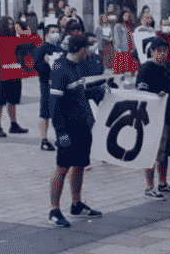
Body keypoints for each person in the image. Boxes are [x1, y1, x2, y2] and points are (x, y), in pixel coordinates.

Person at [48, 34, 104, 228]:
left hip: (83, 126)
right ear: (80, 50)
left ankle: (76, 203)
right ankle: (54, 210)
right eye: (87, 50)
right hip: (68, 128)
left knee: (80, 164)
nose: (89, 53)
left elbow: (78, 92)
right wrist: (60, 132)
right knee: (62, 168)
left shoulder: (77, 66)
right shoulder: (60, 69)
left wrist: (97, 90)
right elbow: (53, 105)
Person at [136, 37, 170, 200]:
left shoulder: (167, 68)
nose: (163, 54)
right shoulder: (146, 69)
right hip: (153, 117)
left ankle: (163, 183)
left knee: (165, 152)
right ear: (152, 51)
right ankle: (149, 186)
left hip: (168, 115)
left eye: (165, 51)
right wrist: (155, 95)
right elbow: (141, 93)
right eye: (159, 51)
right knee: (153, 152)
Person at [0, 16, 29, 137]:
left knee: (13, 99)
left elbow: (24, 49)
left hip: (15, 71)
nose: (11, 26)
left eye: (12, 24)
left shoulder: (15, 37)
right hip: (2, 72)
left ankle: (13, 124)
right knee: (0, 100)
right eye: (9, 24)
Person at [34, 24, 61, 152]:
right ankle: (44, 140)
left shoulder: (60, 48)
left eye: (57, 31)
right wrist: (45, 62)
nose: (55, 34)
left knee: (59, 111)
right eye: (52, 32)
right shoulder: (41, 49)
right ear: (46, 35)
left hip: (60, 84)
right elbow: (37, 67)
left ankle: (60, 137)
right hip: (46, 84)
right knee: (45, 111)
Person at [113, 10, 139, 76]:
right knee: (122, 68)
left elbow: (131, 37)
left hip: (130, 48)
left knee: (132, 67)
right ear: (121, 16)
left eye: (127, 16)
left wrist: (134, 47)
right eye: (125, 15)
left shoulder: (127, 26)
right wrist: (118, 48)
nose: (126, 17)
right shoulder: (118, 26)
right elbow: (116, 38)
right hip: (122, 49)